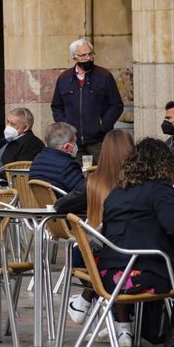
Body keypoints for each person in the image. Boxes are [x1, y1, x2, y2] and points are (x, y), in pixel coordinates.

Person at [97, 138, 174, 347]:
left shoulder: (117, 192)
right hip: (138, 273)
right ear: (163, 164)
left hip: (110, 274)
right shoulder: (159, 188)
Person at [54, 129, 134, 334]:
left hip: (102, 253)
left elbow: (61, 205)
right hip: (137, 252)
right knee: (113, 264)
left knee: (80, 255)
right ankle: (121, 326)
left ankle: (88, 304)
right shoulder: (141, 183)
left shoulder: (94, 182)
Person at [51, 38, 124, 164]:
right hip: (74, 142)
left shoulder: (104, 76)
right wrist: (65, 125)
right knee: (77, 176)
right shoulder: (64, 78)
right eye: (83, 55)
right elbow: (57, 106)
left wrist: (104, 125)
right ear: (74, 57)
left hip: (99, 141)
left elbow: (116, 104)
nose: (88, 58)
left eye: (90, 54)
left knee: (103, 175)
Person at [0, 107, 44, 187]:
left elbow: (19, 170)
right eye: (7, 122)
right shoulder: (2, 142)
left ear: (25, 128)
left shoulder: (32, 143)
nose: (8, 126)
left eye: (12, 124)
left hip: (0, 187)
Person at [29, 122, 85, 193]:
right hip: (63, 203)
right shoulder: (68, 165)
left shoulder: (37, 160)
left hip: (41, 203)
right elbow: (84, 191)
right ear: (66, 147)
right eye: (74, 142)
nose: (76, 146)